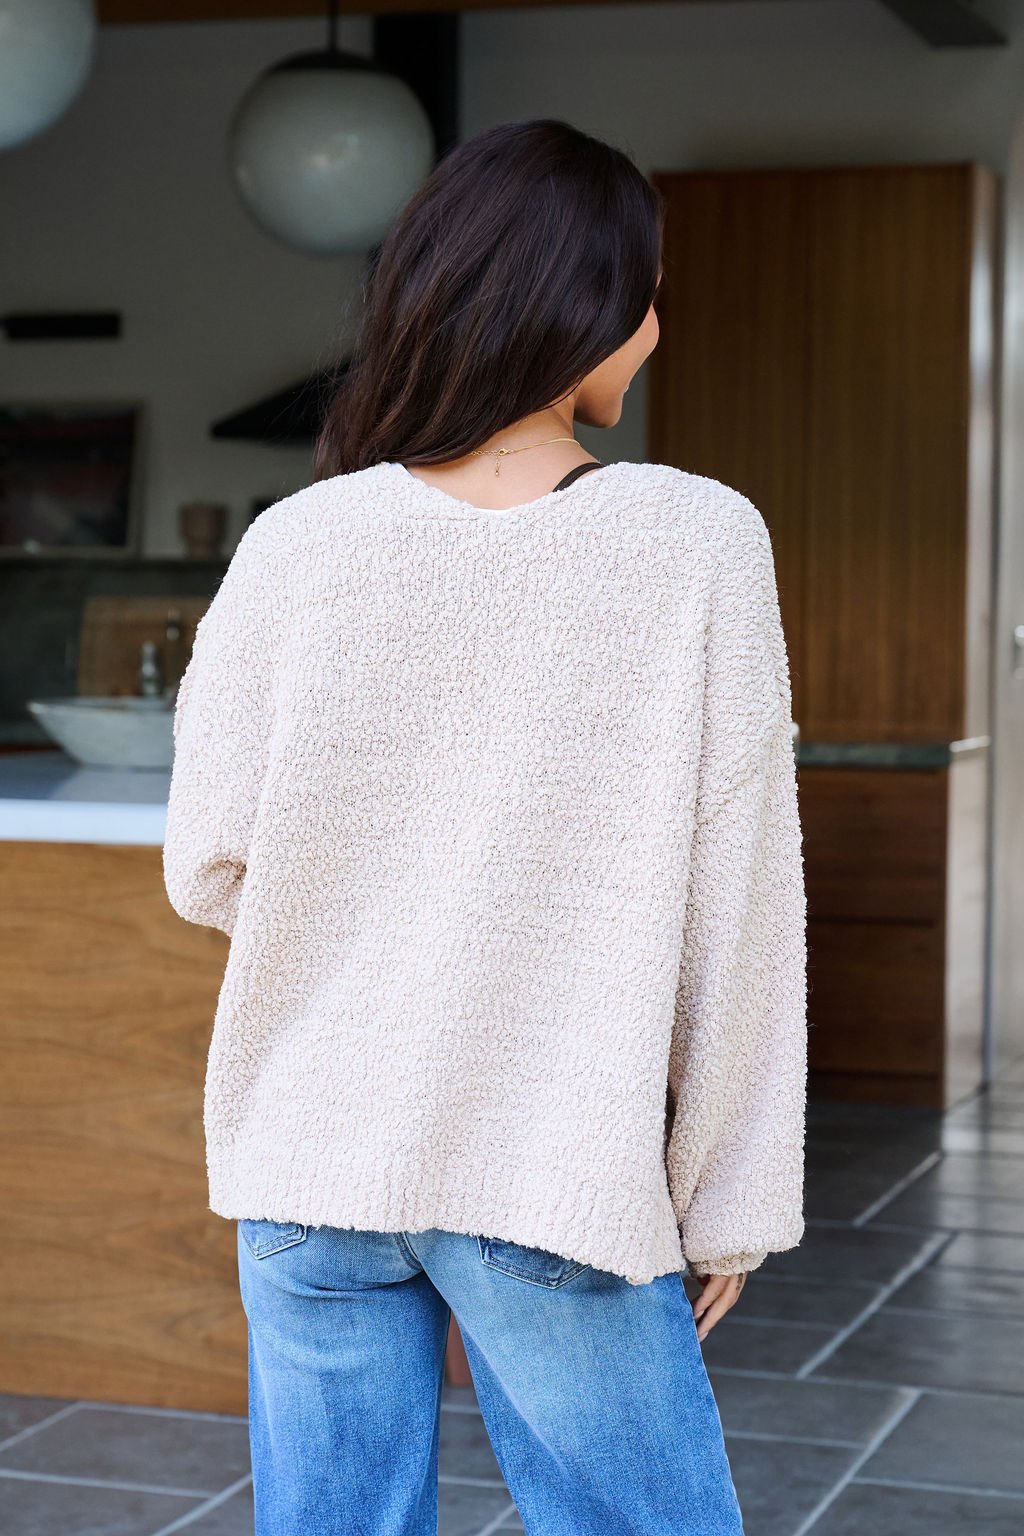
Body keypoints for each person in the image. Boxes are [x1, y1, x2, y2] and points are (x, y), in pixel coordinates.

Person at [163, 117, 807, 1536]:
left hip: (309, 1158)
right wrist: (726, 1197)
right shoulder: (698, 544)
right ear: (578, 302)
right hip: (549, 1162)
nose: (653, 324)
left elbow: (207, 862)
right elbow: (740, 913)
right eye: (644, 288)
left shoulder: (298, 543)